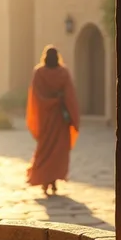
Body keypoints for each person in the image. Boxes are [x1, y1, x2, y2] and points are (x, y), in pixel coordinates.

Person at [26, 45, 80, 196]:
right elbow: (70, 95)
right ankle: (54, 181)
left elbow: (36, 96)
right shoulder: (63, 73)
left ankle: (45, 181)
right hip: (59, 118)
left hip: (46, 118)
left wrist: (48, 102)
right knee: (58, 151)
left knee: (45, 149)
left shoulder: (39, 73)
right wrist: (72, 115)